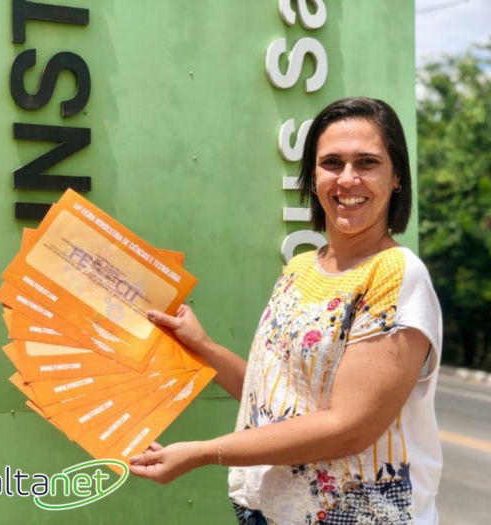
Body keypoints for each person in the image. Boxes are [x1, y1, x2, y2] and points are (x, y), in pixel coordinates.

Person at [130, 97, 443, 525]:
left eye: (367, 162)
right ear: (313, 177)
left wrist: (204, 452)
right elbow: (276, 405)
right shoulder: (299, 269)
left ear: (397, 177)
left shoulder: (396, 274)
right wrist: (203, 349)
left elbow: (350, 428)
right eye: (331, 163)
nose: (347, 178)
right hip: (268, 513)